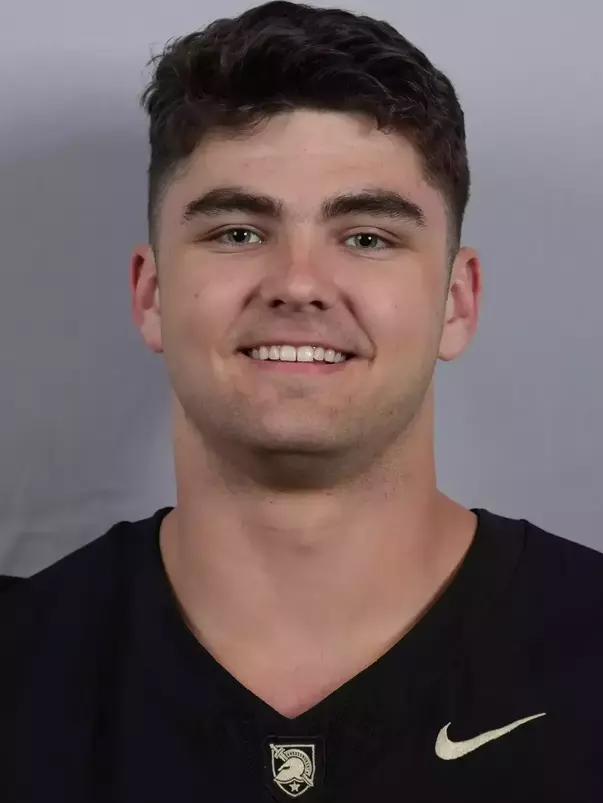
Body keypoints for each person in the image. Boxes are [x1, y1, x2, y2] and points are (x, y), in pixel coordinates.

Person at [1, 1, 602, 800]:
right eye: (238, 232)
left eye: (366, 236)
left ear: (455, 302)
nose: (297, 284)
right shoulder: (22, 665)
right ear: (149, 293)